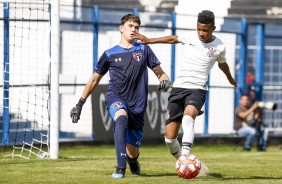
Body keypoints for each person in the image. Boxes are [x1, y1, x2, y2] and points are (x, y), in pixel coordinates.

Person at [70, 14, 173, 179]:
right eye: (130, 26)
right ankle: (120, 168)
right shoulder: (109, 54)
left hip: (138, 106)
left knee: (133, 153)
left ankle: (132, 162)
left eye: (137, 27)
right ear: (121, 28)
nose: (134, 29)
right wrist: (79, 104)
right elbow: (94, 79)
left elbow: (159, 72)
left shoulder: (144, 49)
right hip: (115, 97)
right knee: (121, 119)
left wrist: (166, 82)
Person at [133, 10, 237, 161]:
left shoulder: (219, 46)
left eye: (205, 30)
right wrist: (149, 40)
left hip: (197, 89)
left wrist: (230, 78)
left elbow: (223, 64)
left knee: (188, 119)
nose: (201, 33)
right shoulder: (189, 37)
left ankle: (187, 158)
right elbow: (172, 39)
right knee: (169, 139)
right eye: (199, 29)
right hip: (178, 88)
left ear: (213, 28)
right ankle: (182, 160)